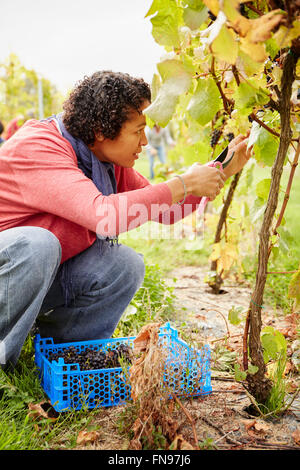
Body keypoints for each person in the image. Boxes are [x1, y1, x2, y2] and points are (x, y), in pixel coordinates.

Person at [0, 70, 252, 369]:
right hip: (13, 268)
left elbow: (166, 210)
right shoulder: (40, 146)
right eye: (137, 130)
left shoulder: (103, 159)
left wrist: (220, 170)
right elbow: (104, 216)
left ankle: (65, 354)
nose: (145, 141)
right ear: (100, 130)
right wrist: (183, 183)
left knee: (124, 264)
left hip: (32, 278)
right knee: (38, 244)